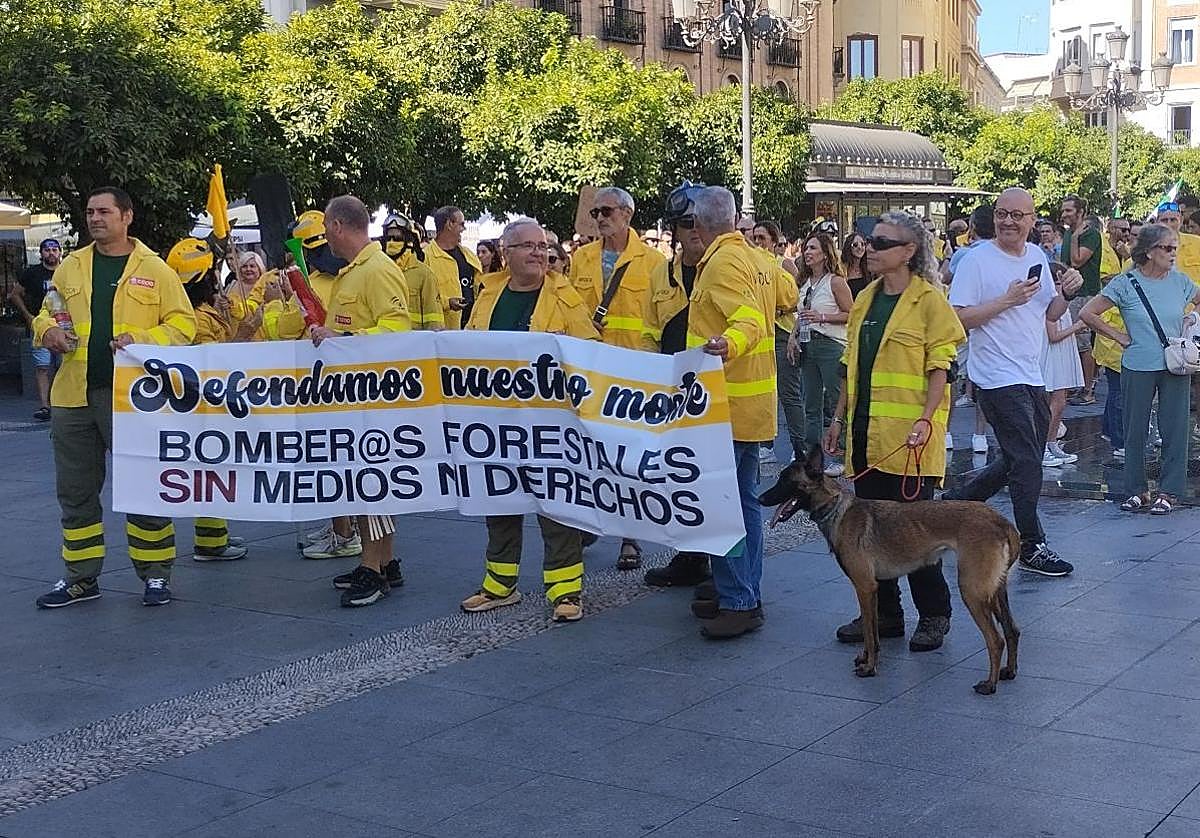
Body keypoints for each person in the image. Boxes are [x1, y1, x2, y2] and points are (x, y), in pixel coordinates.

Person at [33, 187, 196, 608]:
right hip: (72, 396)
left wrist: (141, 339)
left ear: (127, 216)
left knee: (143, 486)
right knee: (75, 491)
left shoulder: (156, 270)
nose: (95, 218)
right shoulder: (71, 266)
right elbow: (48, 311)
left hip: (130, 400)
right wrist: (45, 331)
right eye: (90, 212)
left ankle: (156, 574)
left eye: (104, 211)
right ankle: (81, 577)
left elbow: (184, 325)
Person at [823, 211, 965, 652]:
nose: (871, 249)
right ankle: (884, 615)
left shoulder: (929, 302)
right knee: (868, 531)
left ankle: (934, 615)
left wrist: (926, 418)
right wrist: (837, 419)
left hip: (910, 442)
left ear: (909, 252)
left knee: (915, 533)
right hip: (867, 438)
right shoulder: (865, 299)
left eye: (883, 243)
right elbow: (851, 366)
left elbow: (941, 368)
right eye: (871, 241)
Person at [460, 218, 598, 623]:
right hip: (496, 421)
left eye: (543, 246)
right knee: (498, 501)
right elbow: (467, 345)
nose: (540, 253)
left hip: (550, 423)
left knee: (557, 507)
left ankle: (566, 591)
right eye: (529, 246)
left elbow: (587, 348)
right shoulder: (488, 294)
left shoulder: (564, 296)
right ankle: (499, 585)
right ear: (507, 253)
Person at [943, 187, 1082, 577]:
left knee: (1021, 459)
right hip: (994, 376)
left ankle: (955, 502)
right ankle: (1032, 544)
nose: (1008, 222)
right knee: (1026, 460)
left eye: (1017, 216)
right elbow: (957, 319)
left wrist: (1068, 292)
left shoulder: (1037, 255)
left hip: (1030, 372)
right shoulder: (976, 260)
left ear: (1031, 220)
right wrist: (1006, 300)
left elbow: (1049, 311)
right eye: (1002, 214)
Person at [309, 195, 412, 607]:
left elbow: (397, 329)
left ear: (337, 226)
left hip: (373, 397)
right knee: (366, 481)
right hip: (353, 396)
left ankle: (372, 569)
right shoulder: (355, 271)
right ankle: (384, 562)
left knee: (370, 482)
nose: (325, 241)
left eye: (325, 231)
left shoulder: (377, 270)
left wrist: (347, 341)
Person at [687, 186, 777, 639]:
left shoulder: (721, 262)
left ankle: (740, 599)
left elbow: (749, 321)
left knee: (727, 505)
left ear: (698, 226)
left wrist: (730, 343)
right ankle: (741, 591)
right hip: (749, 403)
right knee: (742, 502)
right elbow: (787, 299)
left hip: (725, 403)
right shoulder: (757, 257)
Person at [569, 185, 665, 571]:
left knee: (628, 456)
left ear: (627, 213)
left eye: (606, 211)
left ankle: (630, 536)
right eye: (595, 212)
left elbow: (662, 317)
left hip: (631, 372)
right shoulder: (582, 259)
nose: (600, 218)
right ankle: (589, 521)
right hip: (589, 368)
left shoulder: (653, 261)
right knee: (586, 451)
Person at [1081, 223, 1200, 515]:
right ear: (1148, 252)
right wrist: (1118, 336)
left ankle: (1169, 492)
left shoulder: (1180, 281)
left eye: (1175, 248)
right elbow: (1087, 313)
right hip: (1137, 364)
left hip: (1175, 364)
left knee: (1175, 429)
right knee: (1134, 430)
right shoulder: (1126, 282)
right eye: (1167, 248)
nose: (1174, 254)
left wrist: (1193, 319)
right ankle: (1136, 490)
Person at [641, 182, 713, 589]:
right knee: (680, 476)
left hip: (719, 389)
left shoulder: (730, 265)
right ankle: (690, 556)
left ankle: (724, 568)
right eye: (685, 223)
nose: (694, 230)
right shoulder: (662, 273)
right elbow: (650, 329)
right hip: (673, 388)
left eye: (699, 221)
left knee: (717, 481)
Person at [166, 238, 250, 563]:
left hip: (199, 408)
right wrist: (242, 333)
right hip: (206, 409)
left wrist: (226, 317)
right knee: (212, 470)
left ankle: (214, 536)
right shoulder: (197, 318)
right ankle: (212, 544)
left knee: (210, 470)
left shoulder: (196, 312)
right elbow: (213, 363)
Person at [791, 233, 852, 475]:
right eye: (806, 248)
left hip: (830, 343)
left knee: (838, 399)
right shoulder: (804, 283)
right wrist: (793, 338)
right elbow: (801, 315)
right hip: (808, 344)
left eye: (813, 249)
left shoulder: (835, 282)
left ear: (825, 254)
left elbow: (852, 313)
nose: (807, 252)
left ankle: (844, 454)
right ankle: (812, 455)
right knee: (811, 402)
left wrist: (823, 317)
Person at [751, 220, 803, 465]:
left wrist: (778, 310)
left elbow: (799, 298)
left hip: (782, 334)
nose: (757, 242)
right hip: (759, 334)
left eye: (762, 238)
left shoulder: (784, 264)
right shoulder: (750, 264)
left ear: (774, 241)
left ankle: (799, 448)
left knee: (788, 393)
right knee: (763, 392)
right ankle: (765, 445)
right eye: (755, 238)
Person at [947, 205, 996, 455]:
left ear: (973, 227)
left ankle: (946, 432)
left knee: (951, 377)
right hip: (988, 322)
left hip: (960, 322)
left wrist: (948, 255)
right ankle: (980, 435)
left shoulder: (964, 255)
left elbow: (944, 277)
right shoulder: (999, 254)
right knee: (982, 380)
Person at [7, 238, 62, 420]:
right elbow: (14, 294)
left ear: (60, 252)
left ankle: (63, 403)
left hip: (66, 325)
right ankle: (45, 406)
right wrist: (28, 316)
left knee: (65, 366)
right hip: (40, 325)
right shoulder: (32, 273)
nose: (51, 253)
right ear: (41, 253)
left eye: (55, 249)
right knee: (43, 366)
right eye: (47, 250)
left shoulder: (68, 270)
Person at [1041, 263, 1085, 467]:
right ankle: (1042, 446)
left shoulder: (1063, 302)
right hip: (1053, 355)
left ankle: (1052, 443)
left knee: (1061, 402)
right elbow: (1053, 335)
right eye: (1060, 281)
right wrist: (1077, 326)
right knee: (1055, 402)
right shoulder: (1050, 302)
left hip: (1062, 354)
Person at [1060, 197, 1102, 405]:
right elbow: (1065, 263)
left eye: (1068, 210)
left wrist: (1076, 237)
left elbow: (1077, 261)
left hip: (1085, 294)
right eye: (1063, 211)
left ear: (1081, 211)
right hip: (1070, 293)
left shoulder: (1090, 235)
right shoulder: (1068, 232)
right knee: (1072, 341)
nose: (1064, 214)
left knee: (1084, 344)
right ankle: (1073, 386)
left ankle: (1088, 390)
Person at [382, 212, 444, 330]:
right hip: (385, 343)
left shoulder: (424, 275)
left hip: (414, 345)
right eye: (388, 238)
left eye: (397, 238)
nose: (391, 242)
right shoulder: (380, 272)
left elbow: (434, 321)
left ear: (409, 241)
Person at [425, 205, 481, 329]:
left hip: (472, 330)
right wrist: (447, 303)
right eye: (461, 224)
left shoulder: (469, 255)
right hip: (445, 334)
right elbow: (423, 298)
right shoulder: (426, 258)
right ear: (449, 224)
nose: (464, 228)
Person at [842, 232, 872, 298]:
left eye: (863, 244)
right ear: (848, 247)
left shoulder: (870, 269)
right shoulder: (842, 270)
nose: (860, 247)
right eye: (855, 245)